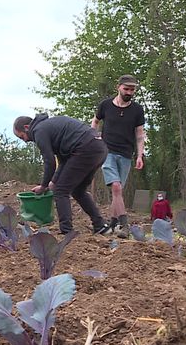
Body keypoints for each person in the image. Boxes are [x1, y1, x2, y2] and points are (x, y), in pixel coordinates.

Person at [13, 113, 112, 235]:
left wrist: (43, 186)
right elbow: (63, 160)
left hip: (85, 149)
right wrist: (53, 181)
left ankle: (67, 231)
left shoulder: (39, 131)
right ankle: (101, 226)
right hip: (98, 148)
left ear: (27, 127)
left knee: (60, 191)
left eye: (22, 137)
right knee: (78, 190)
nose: (26, 141)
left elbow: (49, 162)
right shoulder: (50, 127)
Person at [92, 74, 146, 238]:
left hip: (126, 154)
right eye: (126, 89)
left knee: (118, 192)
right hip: (106, 151)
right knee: (116, 187)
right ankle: (125, 225)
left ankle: (113, 222)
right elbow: (95, 122)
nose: (129, 92)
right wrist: (95, 138)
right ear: (119, 87)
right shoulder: (106, 105)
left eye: (132, 89)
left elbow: (140, 134)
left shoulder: (137, 110)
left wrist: (139, 155)